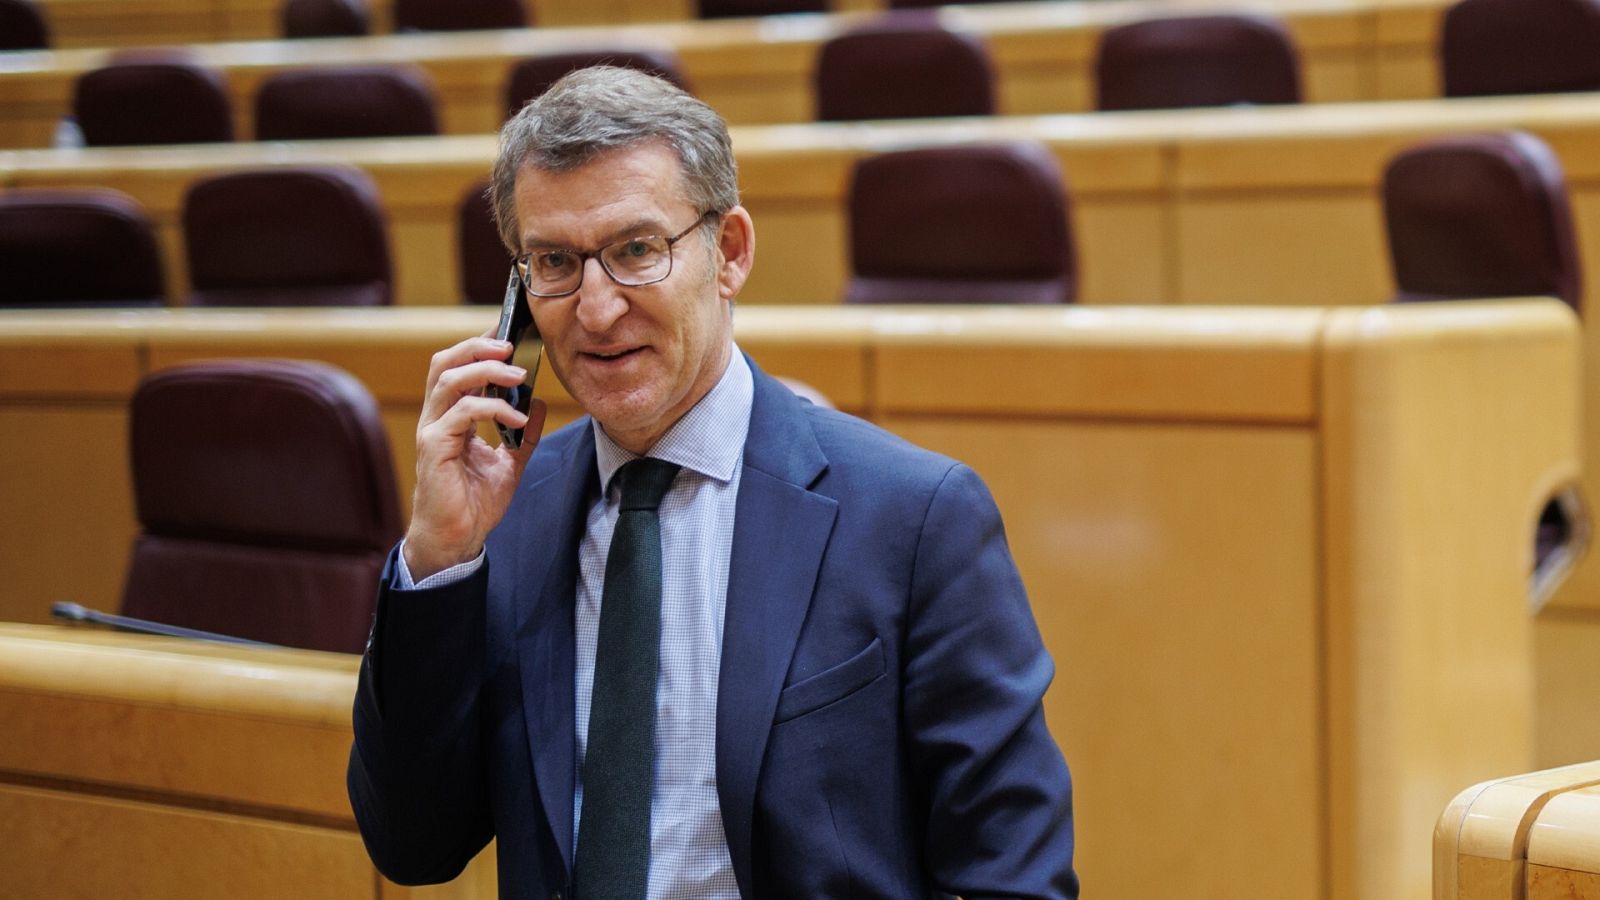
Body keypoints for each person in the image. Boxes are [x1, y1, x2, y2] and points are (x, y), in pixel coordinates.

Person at [347, 66, 1078, 900]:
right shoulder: (505, 516)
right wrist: (439, 559)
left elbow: (1013, 877)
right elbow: (411, 844)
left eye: (635, 251)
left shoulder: (914, 519)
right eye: (554, 262)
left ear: (728, 253)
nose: (595, 309)